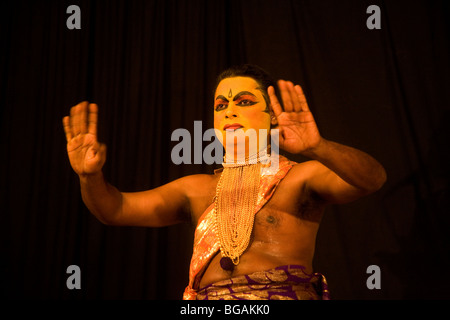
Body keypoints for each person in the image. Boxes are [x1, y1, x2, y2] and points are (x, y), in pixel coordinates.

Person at [62, 64, 387, 300]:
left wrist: (319, 147)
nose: (229, 111)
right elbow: (115, 209)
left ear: (272, 115)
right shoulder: (196, 188)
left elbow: (371, 179)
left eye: (244, 102)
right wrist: (90, 176)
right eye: (221, 105)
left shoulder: (299, 178)